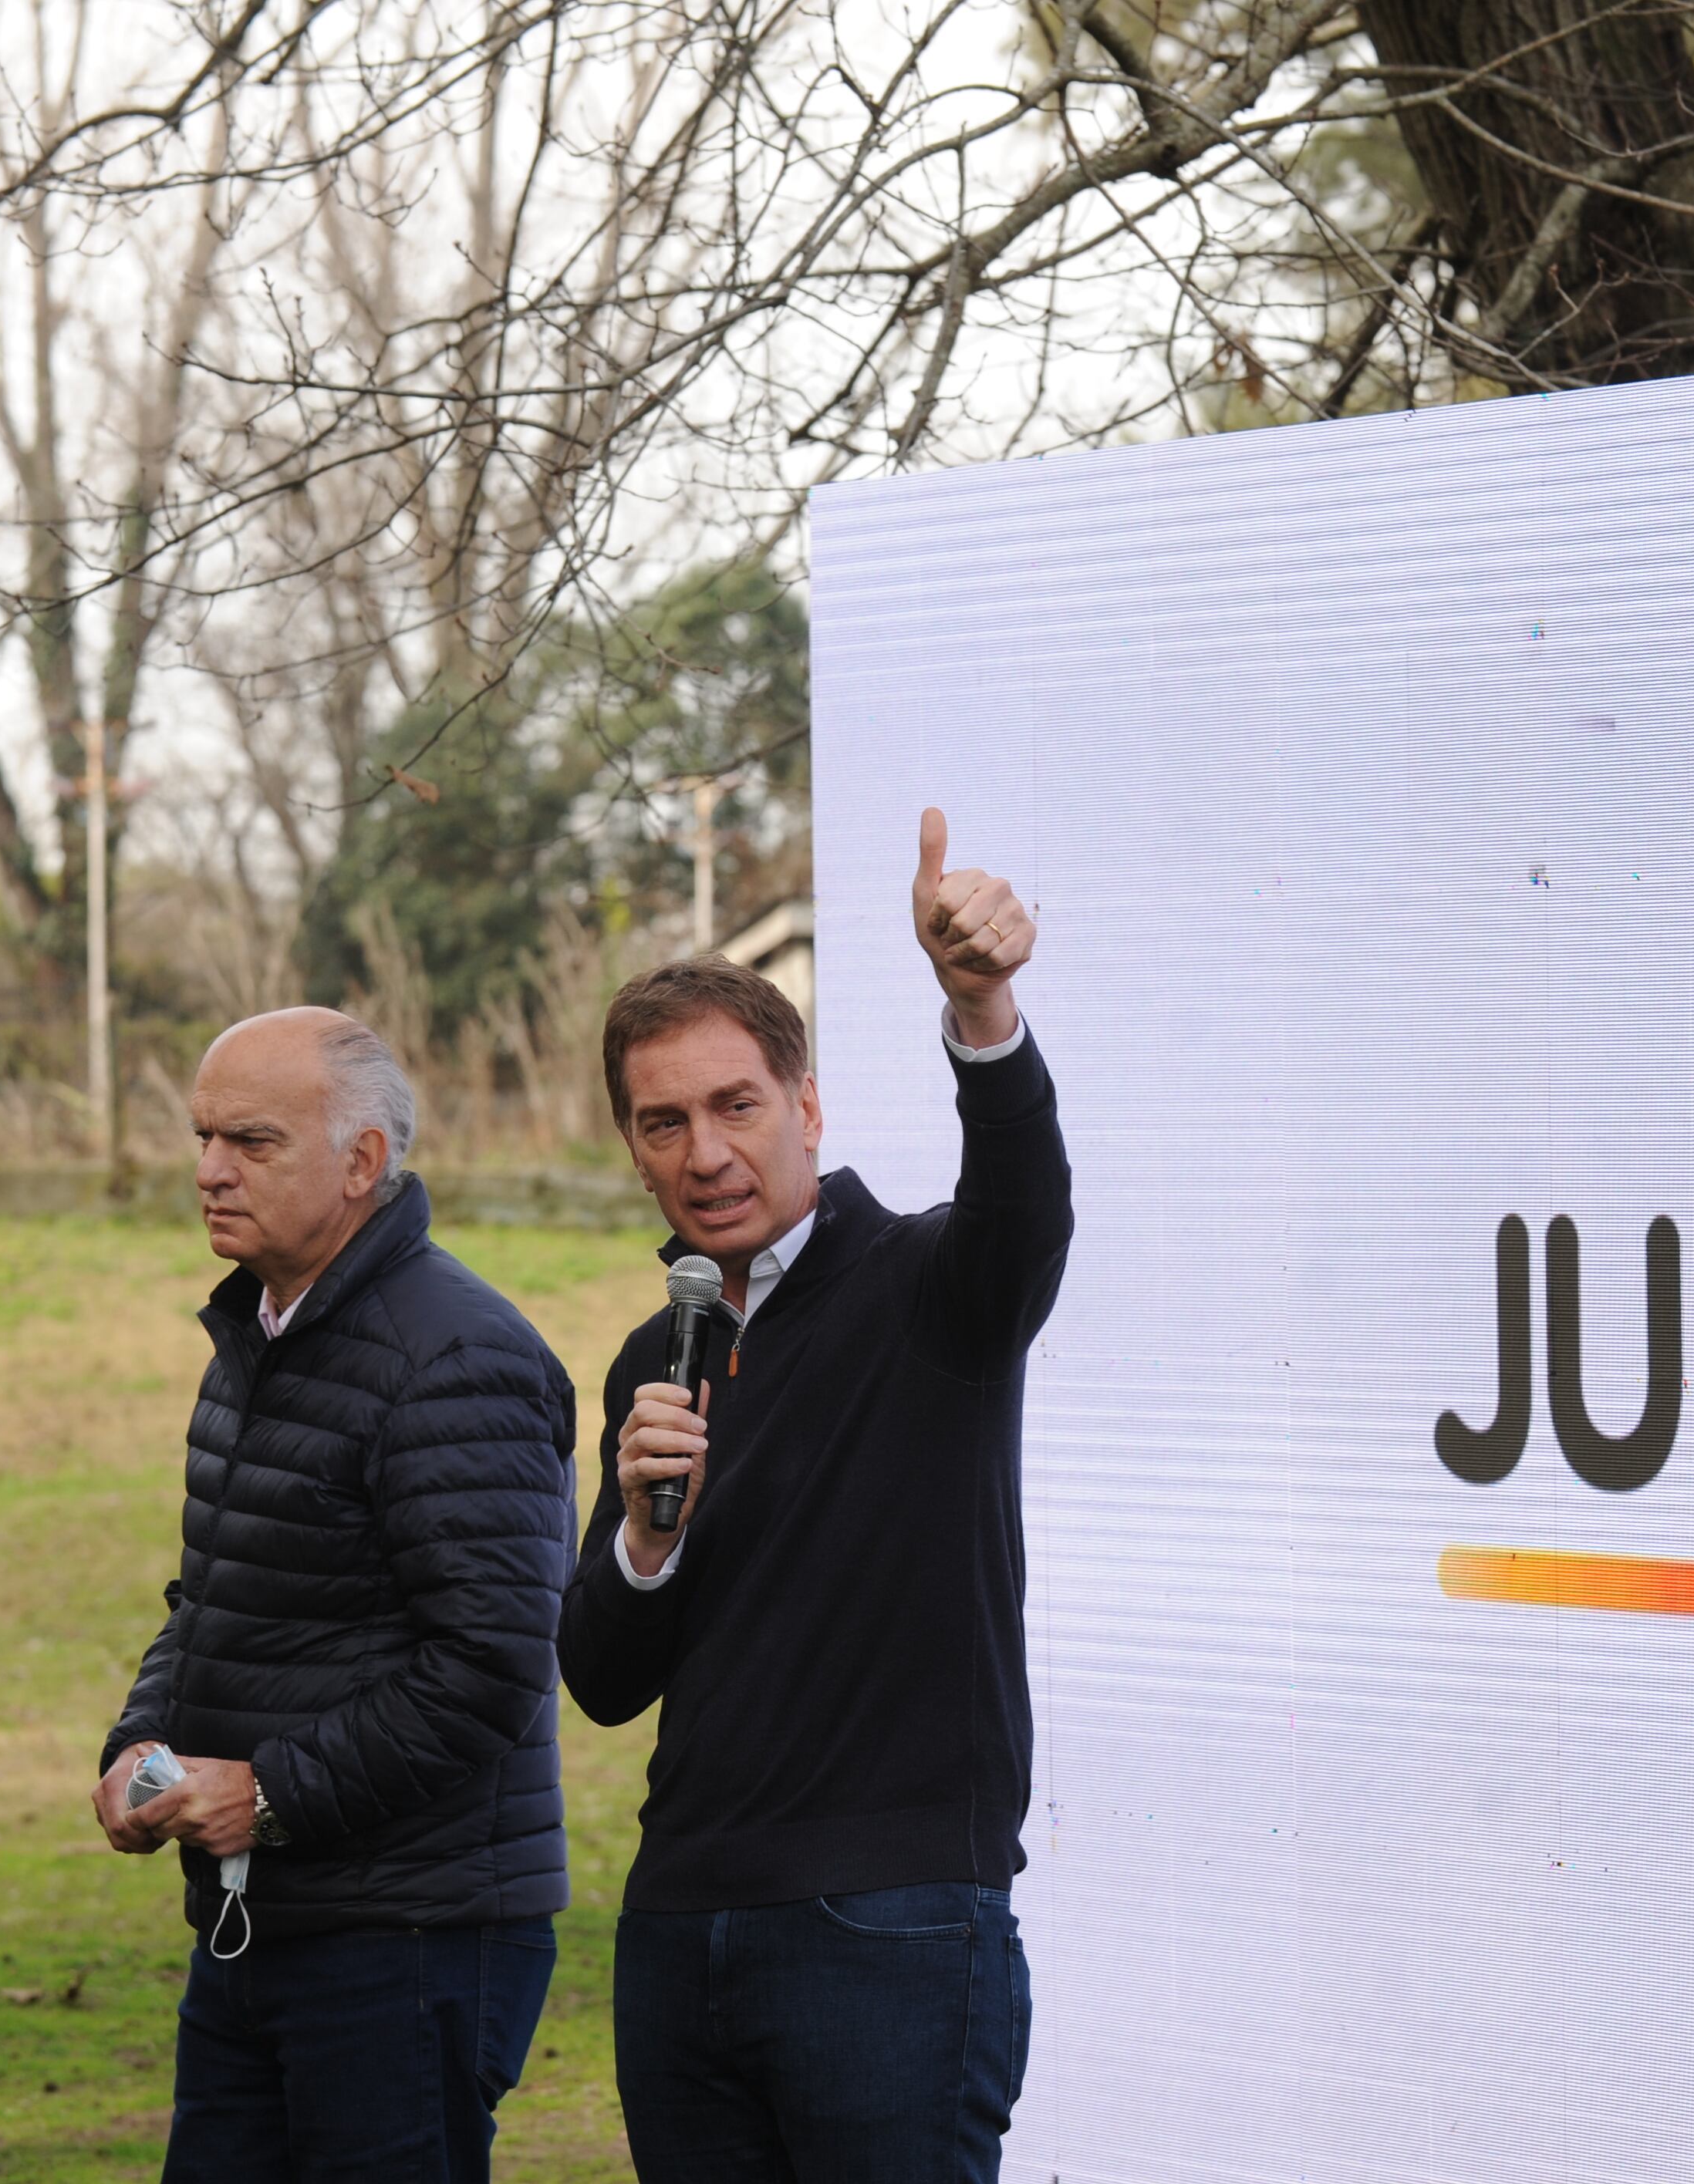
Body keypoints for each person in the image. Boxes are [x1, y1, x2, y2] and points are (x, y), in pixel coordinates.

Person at [560, 808, 1073, 2182]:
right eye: (662, 1123)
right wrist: (640, 1536)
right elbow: (603, 1681)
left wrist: (981, 1010)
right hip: (681, 1926)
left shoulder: (930, 1286)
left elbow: (1026, 1206)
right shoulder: (652, 1365)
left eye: (735, 1107)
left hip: (890, 1926)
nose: (705, 1153)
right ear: (632, 1146)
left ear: (808, 1106)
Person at [93, 1006, 578, 2183]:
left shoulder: (455, 1359)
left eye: (251, 1142)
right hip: (265, 1922)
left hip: (410, 1944)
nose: (209, 1170)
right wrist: (142, 1740)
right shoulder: (261, 1336)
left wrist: (270, 1795)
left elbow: (493, 1665)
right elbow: (212, 1598)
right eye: (204, 1136)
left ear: (362, 1162)